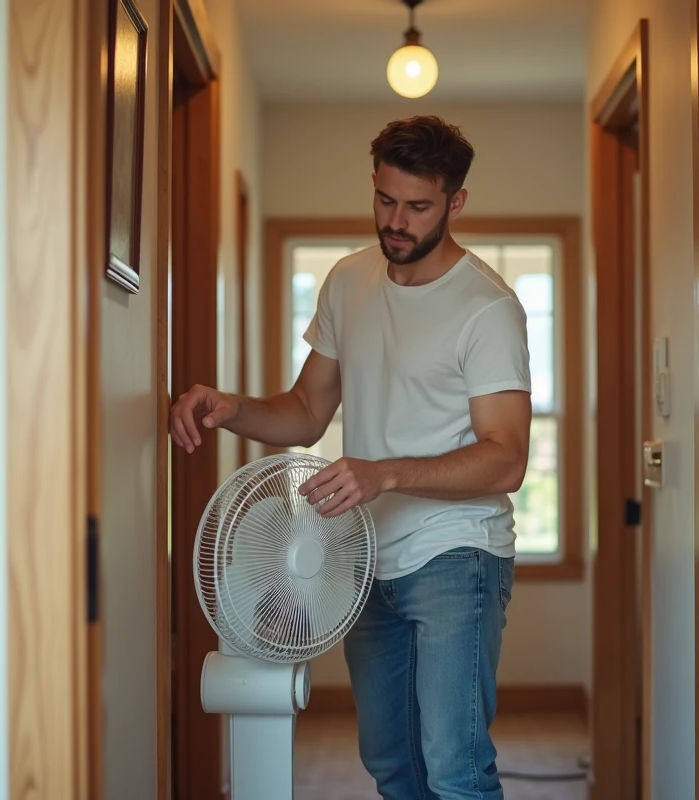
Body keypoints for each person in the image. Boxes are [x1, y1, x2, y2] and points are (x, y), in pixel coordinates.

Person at [168, 115, 532, 799]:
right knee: (392, 767)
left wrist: (384, 472)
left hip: (457, 555)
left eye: (417, 206)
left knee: (455, 770)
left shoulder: (488, 308)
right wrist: (230, 407)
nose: (396, 221)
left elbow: (506, 459)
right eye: (385, 199)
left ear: (455, 202)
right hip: (363, 560)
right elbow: (306, 411)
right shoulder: (348, 281)